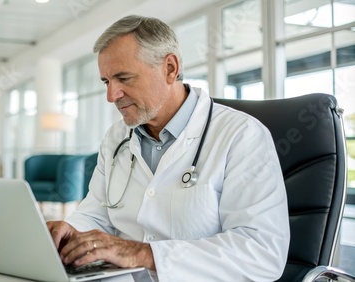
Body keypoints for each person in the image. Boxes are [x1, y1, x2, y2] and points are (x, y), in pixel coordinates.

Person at [47, 15, 290, 281]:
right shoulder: (117, 138)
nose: (111, 96)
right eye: (106, 81)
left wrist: (144, 254)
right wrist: (69, 230)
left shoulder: (241, 136)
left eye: (124, 78)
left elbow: (261, 253)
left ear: (170, 68)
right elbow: (96, 214)